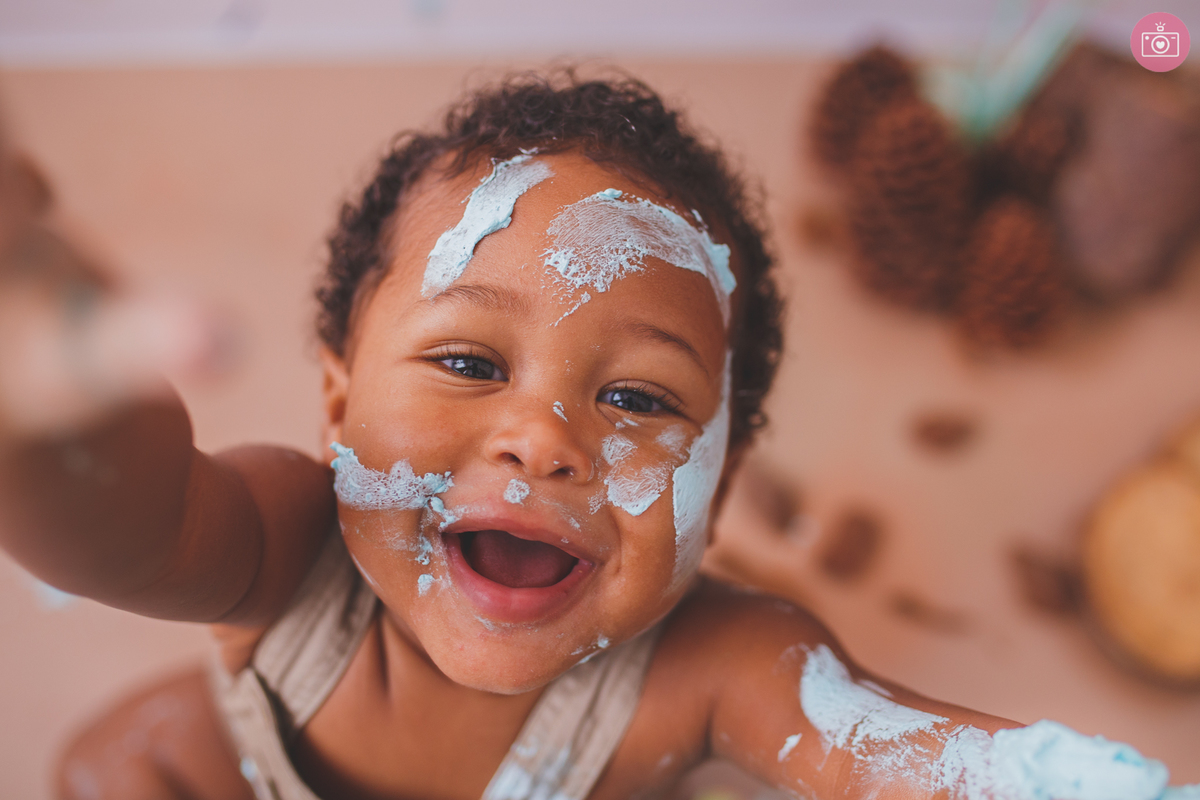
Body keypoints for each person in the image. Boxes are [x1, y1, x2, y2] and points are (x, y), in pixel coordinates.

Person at [0, 73, 1192, 800]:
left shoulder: (716, 661)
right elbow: (129, 529)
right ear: (335, 402)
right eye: (468, 362)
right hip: (227, 776)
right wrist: (55, 397)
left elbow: (874, 748)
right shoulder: (286, 542)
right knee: (118, 767)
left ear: (718, 494)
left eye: (642, 400)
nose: (543, 437)